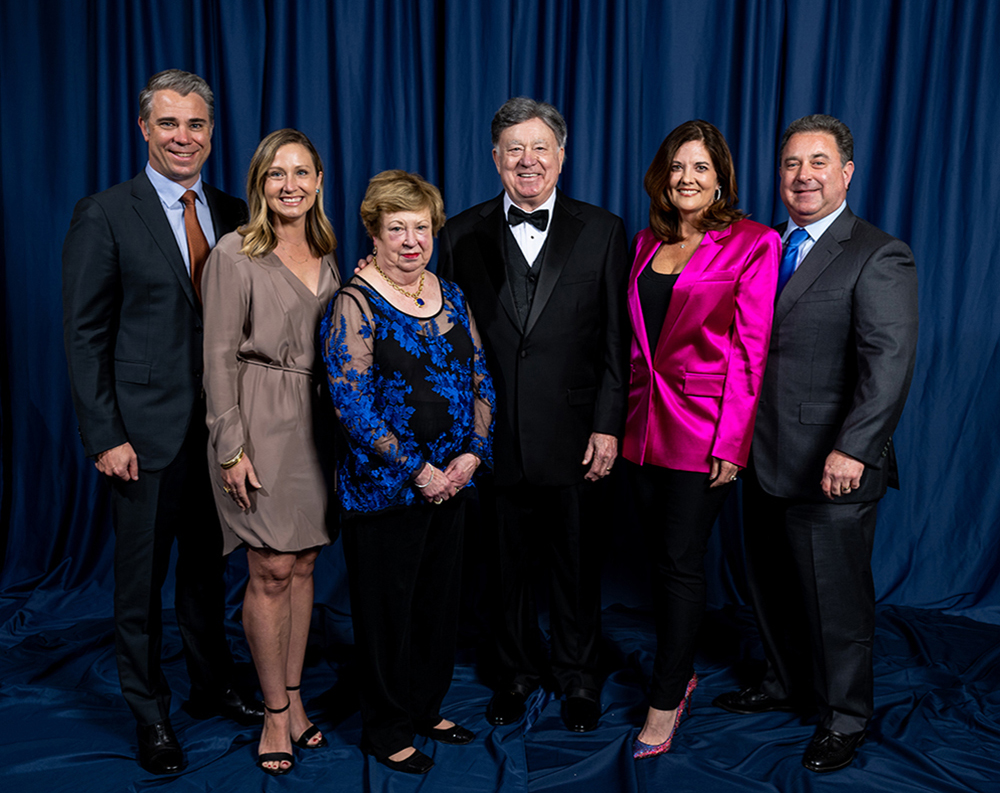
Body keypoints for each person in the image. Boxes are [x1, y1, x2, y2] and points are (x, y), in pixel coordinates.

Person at [61, 69, 262, 775]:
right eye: (169, 123)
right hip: (141, 438)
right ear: (144, 129)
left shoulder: (239, 212)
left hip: (219, 436)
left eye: (196, 124)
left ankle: (211, 686)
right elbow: (85, 334)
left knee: (209, 576)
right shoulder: (106, 212)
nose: (184, 137)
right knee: (141, 586)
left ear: (212, 132)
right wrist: (104, 434)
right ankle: (151, 713)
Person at [713, 114, 919, 773]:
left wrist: (855, 448)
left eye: (818, 162)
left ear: (847, 172)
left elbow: (887, 361)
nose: (803, 176)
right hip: (761, 454)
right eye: (792, 164)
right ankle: (783, 681)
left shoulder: (877, 253)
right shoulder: (765, 247)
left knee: (836, 599)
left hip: (833, 461)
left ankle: (844, 716)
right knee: (768, 585)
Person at [437, 97, 628, 733]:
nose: (528, 161)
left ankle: (578, 677)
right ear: (494, 159)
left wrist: (607, 425)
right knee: (505, 566)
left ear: (562, 156)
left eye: (540, 148)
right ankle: (514, 672)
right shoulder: (459, 233)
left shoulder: (602, 229)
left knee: (575, 566)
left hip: (577, 435)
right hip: (495, 437)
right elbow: (446, 340)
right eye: (514, 149)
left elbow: (617, 341)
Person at [322, 170, 494, 775]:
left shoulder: (450, 295)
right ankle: (386, 726)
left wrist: (471, 454)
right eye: (397, 228)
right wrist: (419, 469)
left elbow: (480, 378)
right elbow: (352, 403)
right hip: (386, 488)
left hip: (454, 482)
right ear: (374, 232)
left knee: (437, 604)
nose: (411, 240)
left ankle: (426, 706)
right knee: (387, 612)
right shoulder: (355, 302)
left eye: (421, 227)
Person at [624, 120, 780, 759]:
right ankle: (677, 665)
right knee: (659, 556)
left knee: (681, 560)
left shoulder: (753, 243)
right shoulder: (643, 243)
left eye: (700, 168)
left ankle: (667, 695)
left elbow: (752, 348)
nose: (687, 178)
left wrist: (732, 442)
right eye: (676, 167)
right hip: (640, 426)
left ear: (720, 179)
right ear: (662, 176)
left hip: (703, 428)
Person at [202, 128, 340, 776]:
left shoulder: (328, 248)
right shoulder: (235, 252)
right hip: (258, 423)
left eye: (301, 173)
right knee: (269, 571)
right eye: (275, 174)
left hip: (319, 427)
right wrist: (231, 449)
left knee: (305, 565)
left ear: (317, 181)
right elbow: (218, 357)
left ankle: (296, 697)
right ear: (260, 184)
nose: (289, 185)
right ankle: (274, 711)